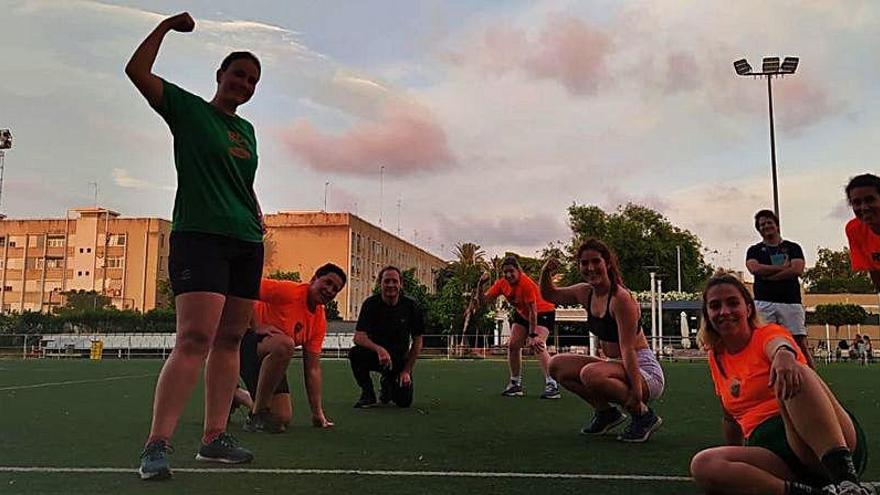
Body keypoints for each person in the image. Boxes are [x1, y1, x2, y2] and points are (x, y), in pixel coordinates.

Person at [126, 12, 265, 479]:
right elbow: (137, 71)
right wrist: (165, 26)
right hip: (200, 236)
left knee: (229, 339)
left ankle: (214, 438)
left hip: (246, 240)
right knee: (194, 339)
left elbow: (240, 180)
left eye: (252, 80)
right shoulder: (188, 110)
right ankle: (156, 444)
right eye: (238, 74)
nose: (244, 84)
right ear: (220, 76)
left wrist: (256, 212)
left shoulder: (246, 131)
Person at [689, 272, 871, 495]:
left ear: (748, 309)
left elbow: (778, 343)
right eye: (715, 306)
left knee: (794, 373)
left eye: (733, 303)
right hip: (773, 456)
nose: (724, 311)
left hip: (824, 440)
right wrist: (737, 461)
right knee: (703, 464)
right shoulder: (715, 356)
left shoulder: (766, 333)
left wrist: (784, 354)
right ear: (707, 314)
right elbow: (730, 417)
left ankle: (847, 482)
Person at [539, 239, 664, 443]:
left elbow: (628, 349)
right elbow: (549, 294)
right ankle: (606, 413)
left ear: (607, 263)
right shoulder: (584, 292)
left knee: (590, 374)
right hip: (614, 365)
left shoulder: (620, 299)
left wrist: (637, 395)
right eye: (584, 263)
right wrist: (545, 271)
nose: (590, 268)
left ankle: (643, 415)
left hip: (643, 371)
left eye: (596, 261)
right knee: (556, 366)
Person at [231, 264, 346, 433]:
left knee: (281, 417)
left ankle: (234, 395)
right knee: (286, 345)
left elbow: (312, 369)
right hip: (245, 343)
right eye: (327, 282)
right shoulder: (290, 292)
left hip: (271, 358)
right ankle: (257, 416)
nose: (330, 290)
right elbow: (247, 286)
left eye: (335, 289)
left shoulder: (319, 322)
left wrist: (317, 413)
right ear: (314, 279)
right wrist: (257, 326)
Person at [473, 256, 560, 399]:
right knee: (513, 345)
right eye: (505, 272)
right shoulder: (502, 284)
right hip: (523, 313)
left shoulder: (525, 284)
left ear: (518, 270)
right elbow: (483, 302)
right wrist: (480, 285)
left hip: (543, 311)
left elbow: (533, 311)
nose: (508, 275)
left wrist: (532, 336)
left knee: (538, 344)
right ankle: (515, 384)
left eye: (511, 271)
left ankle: (552, 384)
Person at [746, 209, 814, 368]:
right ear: (758, 229)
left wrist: (770, 276)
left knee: (799, 342)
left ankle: (813, 379)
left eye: (769, 222)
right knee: (763, 341)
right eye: (762, 224)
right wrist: (783, 268)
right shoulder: (754, 250)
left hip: (790, 302)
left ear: (776, 225)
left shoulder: (793, 247)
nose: (766, 226)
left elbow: (797, 269)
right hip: (764, 302)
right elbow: (754, 268)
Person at [349, 266, 424, 408]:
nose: (391, 285)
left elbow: (418, 340)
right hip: (376, 357)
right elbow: (358, 337)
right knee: (355, 353)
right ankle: (367, 393)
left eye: (394, 281)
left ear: (401, 284)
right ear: (380, 283)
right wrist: (379, 349)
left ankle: (388, 383)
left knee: (403, 402)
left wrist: (406, 370)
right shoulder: (370, 304)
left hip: (399, 360)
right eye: (387, 281)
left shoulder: (411, 306)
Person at [845, 173, 880, 292]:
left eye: (870, 200)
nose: (864, 207)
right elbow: (874, 270)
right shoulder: (854, 230)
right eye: (857, 202)